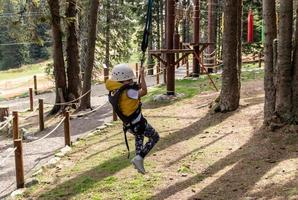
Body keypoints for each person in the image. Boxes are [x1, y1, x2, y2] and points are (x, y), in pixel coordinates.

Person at [105, 63, 160, 174]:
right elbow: (144, 91)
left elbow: (131, 88)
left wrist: (135, 84)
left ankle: (138, 161)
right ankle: (139, 158)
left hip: (129, 125)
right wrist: (143, 76)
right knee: (154, 137)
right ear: (122, 80)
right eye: (129, 80)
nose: (131, 82)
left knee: (139, 136)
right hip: (138, 122)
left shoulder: (114, 91)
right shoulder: (129, 92)